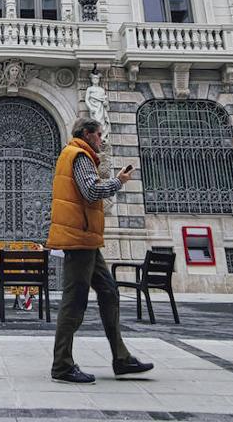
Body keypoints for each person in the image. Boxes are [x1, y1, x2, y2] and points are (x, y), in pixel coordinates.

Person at [46, 117, 153, 384]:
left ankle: (121, 357)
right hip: (79, 238)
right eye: (99, 134)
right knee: (75, 301)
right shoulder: (79, 156)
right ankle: (62, 365)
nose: (101, 139)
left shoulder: (76, 154)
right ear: (87, 134)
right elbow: (91, 191)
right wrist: (119, 181)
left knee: (108, 291)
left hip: (87, 239)